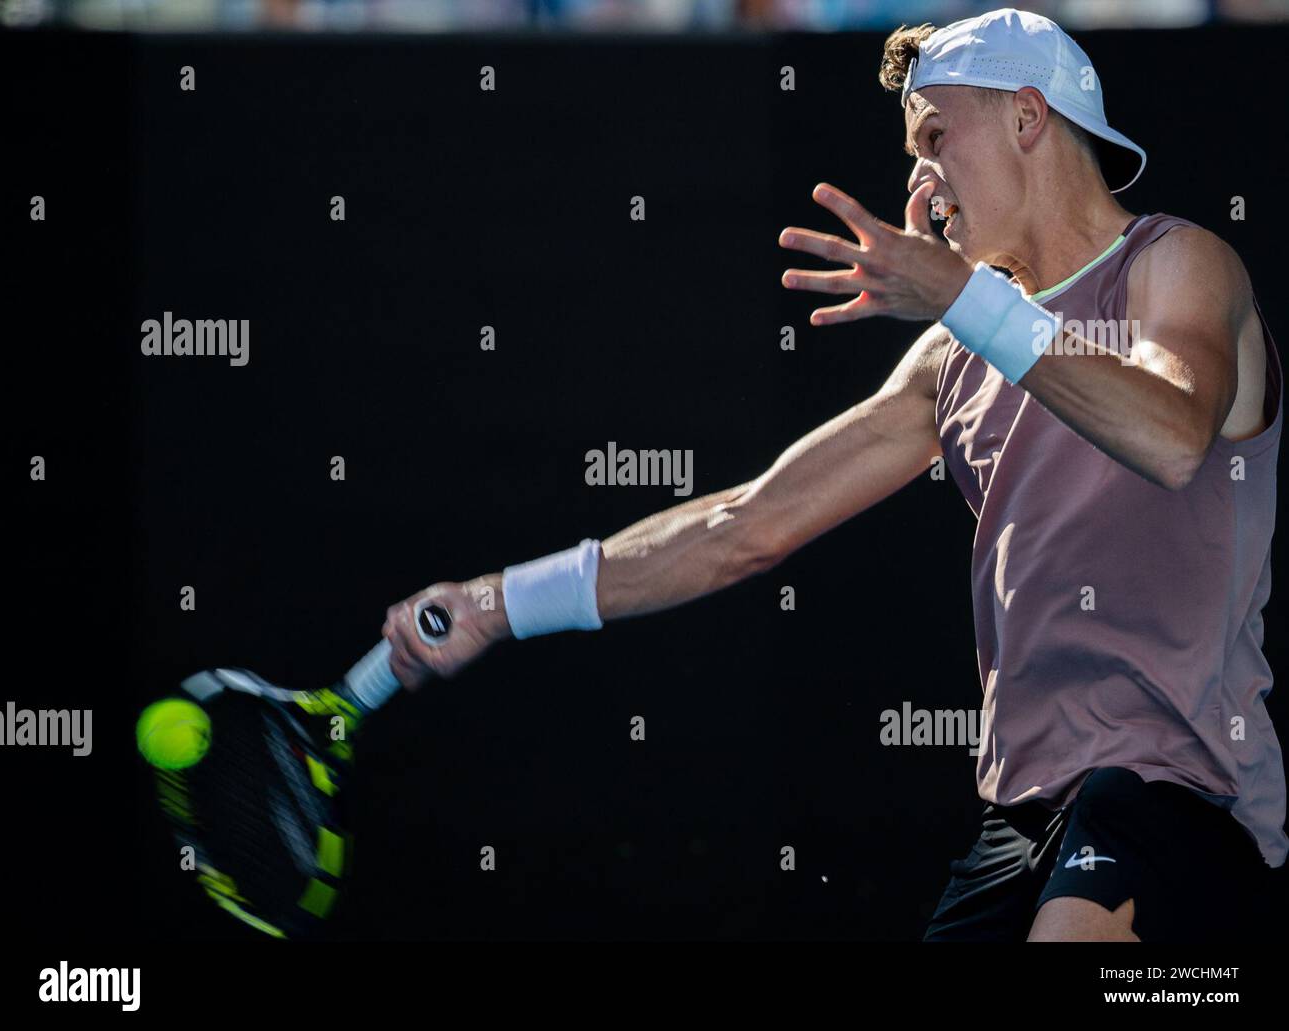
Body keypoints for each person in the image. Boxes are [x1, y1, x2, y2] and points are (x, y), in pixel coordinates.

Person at [377, 8, 1285, 941]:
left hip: (1182, 797)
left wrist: (968, 301)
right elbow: (745, 525)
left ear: (1027, 118)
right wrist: (498, 602)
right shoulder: (953, 356)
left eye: (936, 136)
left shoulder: (1178, 263)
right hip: (1018, 821)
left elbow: (1174, 435)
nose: (918, 180)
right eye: (910, 150)